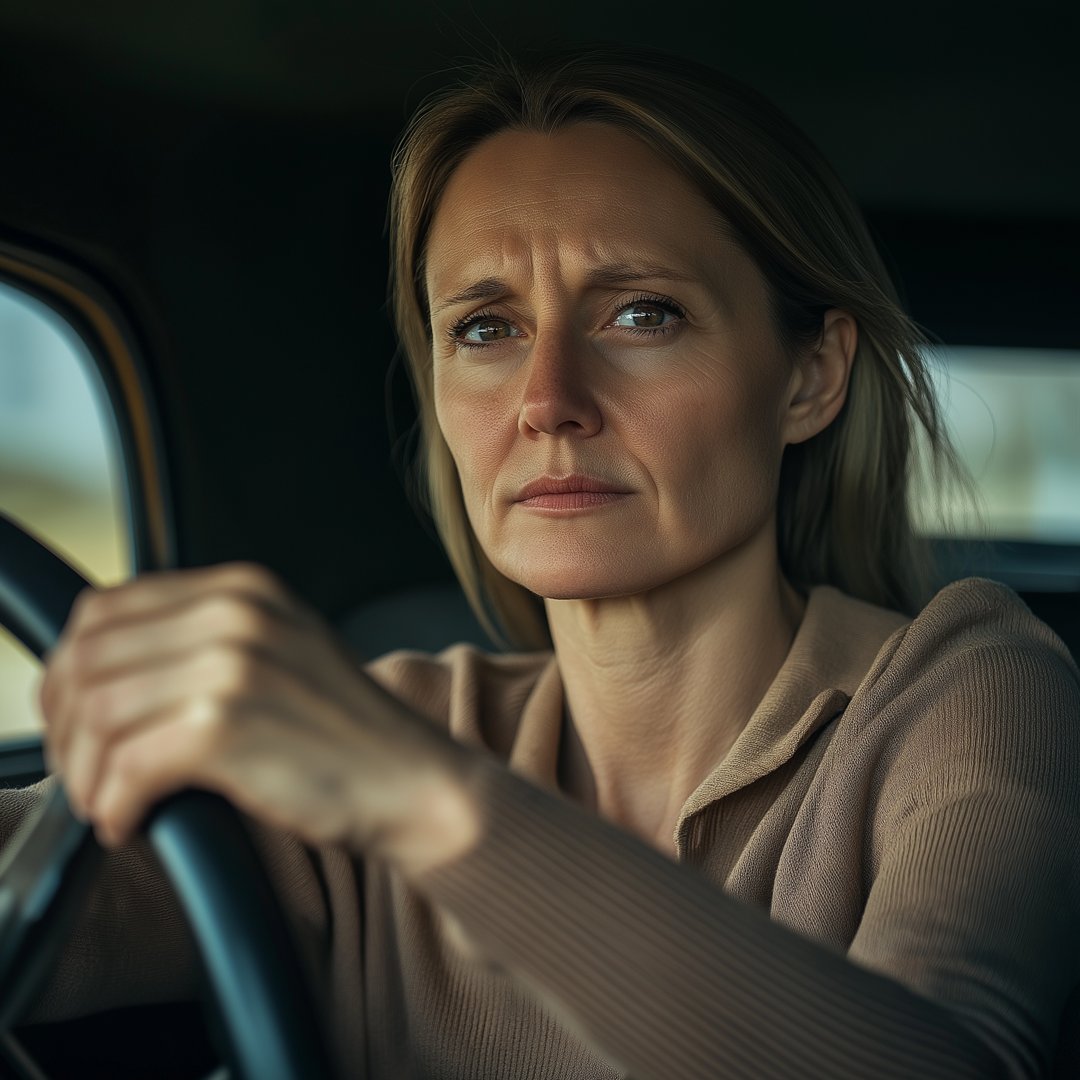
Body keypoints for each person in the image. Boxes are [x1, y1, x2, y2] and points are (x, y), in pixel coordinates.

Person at [6, 44, 1080, 1079]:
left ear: (809, 378)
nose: (549, 400)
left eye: (641, 313)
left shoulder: (965, 688)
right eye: (485, 328)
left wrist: (428, 807)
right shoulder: (406, 722)